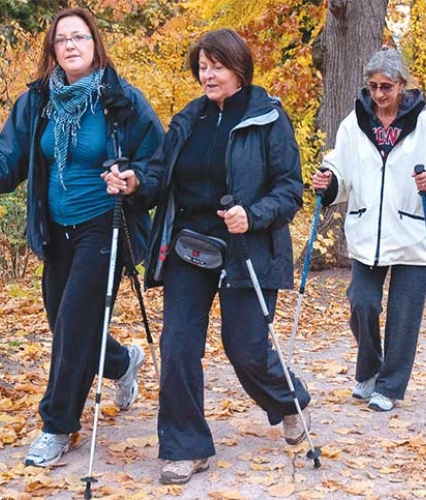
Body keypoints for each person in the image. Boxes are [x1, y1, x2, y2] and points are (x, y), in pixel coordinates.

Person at [0, 7, 164, 467]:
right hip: (56, 231)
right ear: (53, 49)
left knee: (73, 324)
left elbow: (158, 162)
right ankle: (121, 363)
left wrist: (132, 179)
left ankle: (57, 426)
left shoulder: (121, 101)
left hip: (105, 226)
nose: (71, 45)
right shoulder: (38, 102)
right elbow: (8, 159)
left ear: (96, 44)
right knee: (68, 326)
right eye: (62, 39)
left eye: (80, 37)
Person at [145, 28, 310, 485]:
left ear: (239, 68)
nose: (207, 74)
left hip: (247, 247)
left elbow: (289, 190)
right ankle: (185, 447)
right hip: (189, 245)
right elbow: (159, 176)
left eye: (217, 65)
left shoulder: (268, 117)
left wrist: (252, 215)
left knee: (247, 349)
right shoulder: (187, 119)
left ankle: (287, 399)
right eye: (202, 66)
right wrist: (135, 182)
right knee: (177, 345)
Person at [312, 47, 426, 413]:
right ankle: (369, 370)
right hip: (367, 232)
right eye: (372, 87)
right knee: (362, 303)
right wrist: (329, 181)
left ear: (402, 85)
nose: (379, 95)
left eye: (386, 87)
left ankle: (390, 386)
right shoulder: (355, 123)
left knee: (403, 316)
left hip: (413, 233)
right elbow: (340, 168)